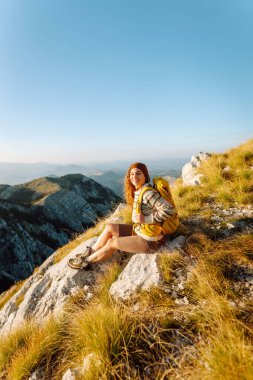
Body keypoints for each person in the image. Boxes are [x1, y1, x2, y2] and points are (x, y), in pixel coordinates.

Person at [68, 162, 177, 270]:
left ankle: (85, 262)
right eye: (132, 174)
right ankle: (89, 252)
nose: (134, 177)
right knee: (110, 227)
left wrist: (146, 219)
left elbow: (169, 209)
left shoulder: (148, 193)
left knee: (112, 242)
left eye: (138, 173)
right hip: (141, 231)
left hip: (150, 241)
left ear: (145, 176)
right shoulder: (140, 190)